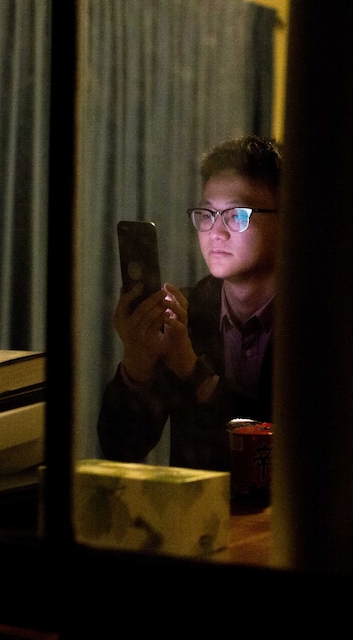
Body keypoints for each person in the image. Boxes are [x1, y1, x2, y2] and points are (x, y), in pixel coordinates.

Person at [97, 135, 280, 471]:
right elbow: (121, 449)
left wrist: (191, 369)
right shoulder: (189, 312)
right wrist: (137, 364)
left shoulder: (323, 319)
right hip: (194, 518)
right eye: (207, 213)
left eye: (236, 215)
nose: (216, 232)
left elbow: (276, 453)